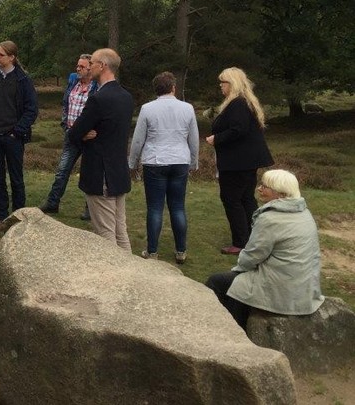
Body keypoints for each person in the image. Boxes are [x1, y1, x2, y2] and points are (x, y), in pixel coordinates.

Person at [205, 169, 323, 330]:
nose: (259, 189)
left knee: (219, 282)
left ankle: (223, 331)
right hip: (304, 286)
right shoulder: (304, 212)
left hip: (282, 288)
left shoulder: (270, 218)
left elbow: (252, 256)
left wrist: (238, 270)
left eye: (265, 186)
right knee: (237, 283)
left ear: (281, 194)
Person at [128, 71, 199, 263]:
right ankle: (181, 251)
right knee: (177, 207)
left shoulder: (147, 108)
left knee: (155, 208)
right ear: (173, 88)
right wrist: (193, 161)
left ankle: (152, 252)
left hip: (155, 161)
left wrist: (132, 163)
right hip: (180, 160)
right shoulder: (187, 108)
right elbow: (193, 138)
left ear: (156, 89)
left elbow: (138, 139)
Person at [68, 48, 134, 252]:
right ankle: (134, 277)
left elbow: (73, 132)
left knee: (105, 235)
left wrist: (82, 133)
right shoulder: (126, 96)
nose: (89, 67)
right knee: (120, 230)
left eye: (93, 63)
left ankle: (118, 281)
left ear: (103, 66)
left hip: (101, 173)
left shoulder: (99, 98)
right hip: (119, 171)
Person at [205, 67, 274, 254]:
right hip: (246, 161)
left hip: (238, 162)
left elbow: (238, 129)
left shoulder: (238, 104)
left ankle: (240, 242)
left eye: (223, 82)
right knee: (245, 198)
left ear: (232, 83)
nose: (220, 85)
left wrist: (216, 138)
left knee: (232, 199)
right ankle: (252, 237)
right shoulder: (244, 102)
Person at [0, 40, 38, 234]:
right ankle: (2, 216)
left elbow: (31, 109)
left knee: (16, 178)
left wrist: (17, 131)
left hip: (13, 137)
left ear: (11, 57)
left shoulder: (23, 80)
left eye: (0, 54)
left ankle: (19, 217)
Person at [39, 53, 98, 218]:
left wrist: (94, 130)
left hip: (89, 138)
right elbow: (65, 104)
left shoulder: (97, 87)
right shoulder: (73, 81)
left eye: (82, 67)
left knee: (90, 173)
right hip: (71, 135)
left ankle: (90, 209)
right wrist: (65, 125)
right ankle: (52, 202)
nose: (78, 69)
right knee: (62, 170)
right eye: (77, 66)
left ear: (90, 69)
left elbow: (99, 111)